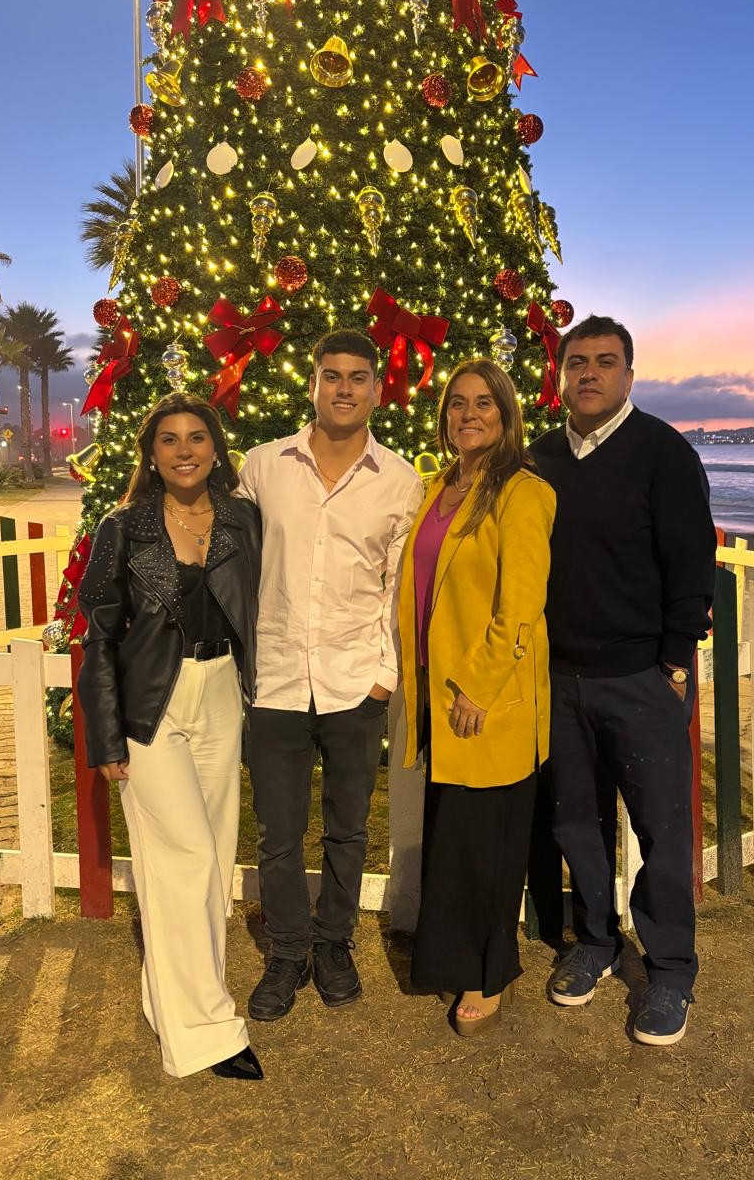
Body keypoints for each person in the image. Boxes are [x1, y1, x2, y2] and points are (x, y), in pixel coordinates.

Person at [530, 316, 715, 1046]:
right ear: (561, 376)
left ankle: (669, 971)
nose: (590, 374)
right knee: (577, 823)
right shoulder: (540, 458)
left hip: (642, 678)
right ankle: (597, 943)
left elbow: (691, 563)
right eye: (577, 362)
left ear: (629, 375)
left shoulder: (663, 452)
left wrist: (675, 663)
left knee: (662, 833)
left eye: (605, 362)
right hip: (559, 678)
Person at [235, 330, 424, 1021]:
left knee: (347, 830)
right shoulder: (263, 467)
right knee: (278, 833)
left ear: (376, 388)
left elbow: (398, 590)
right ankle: (288, 950)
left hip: (354, 683)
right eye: (332, 375)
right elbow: (233, 565)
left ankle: (334, 941)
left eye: (358, 377)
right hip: (276, 679)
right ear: (312, 382)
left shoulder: (399, 481)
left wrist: (384, 677)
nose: (344, 388)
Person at [77, 393, 264, 1081]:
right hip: (151, 704)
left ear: (215, 447)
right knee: (185, 858)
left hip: (220, 695)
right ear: (151, 454)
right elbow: (98, 638)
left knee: (210, 861)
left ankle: (172, 1002)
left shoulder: (244, 519)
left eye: (196, 437)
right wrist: (106, 739)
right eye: (168, 440)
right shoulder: (123, 527)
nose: (184, 450)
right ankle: (207, 1031)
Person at [398, 360, 556, 1036]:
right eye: (458, 403)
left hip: (484, 697)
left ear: (506, 414)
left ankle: (490, 973)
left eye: (484, 402)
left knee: (487, 843)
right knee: (454, 838)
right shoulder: (438, 487)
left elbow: (520, 607)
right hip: (436, 689)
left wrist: (479, 686)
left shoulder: (523, 492)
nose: (469, 414)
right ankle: (454, 956)